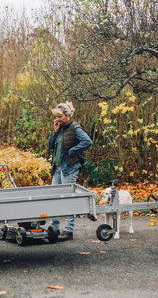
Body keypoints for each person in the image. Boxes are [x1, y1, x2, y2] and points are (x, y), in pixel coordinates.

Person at [48, 101, 92, 241]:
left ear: (67, 115)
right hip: (57, 167)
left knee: (69, 198)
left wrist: (73, 151)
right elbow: (50, 146)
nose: (57, 119)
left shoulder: (75, 127)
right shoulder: (59, 128)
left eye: (59, 116)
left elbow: (87, 141)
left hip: (69, 167)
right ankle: (54, 228)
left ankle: (68, 230)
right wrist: (55, 131)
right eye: (56, 116)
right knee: (54, 197)